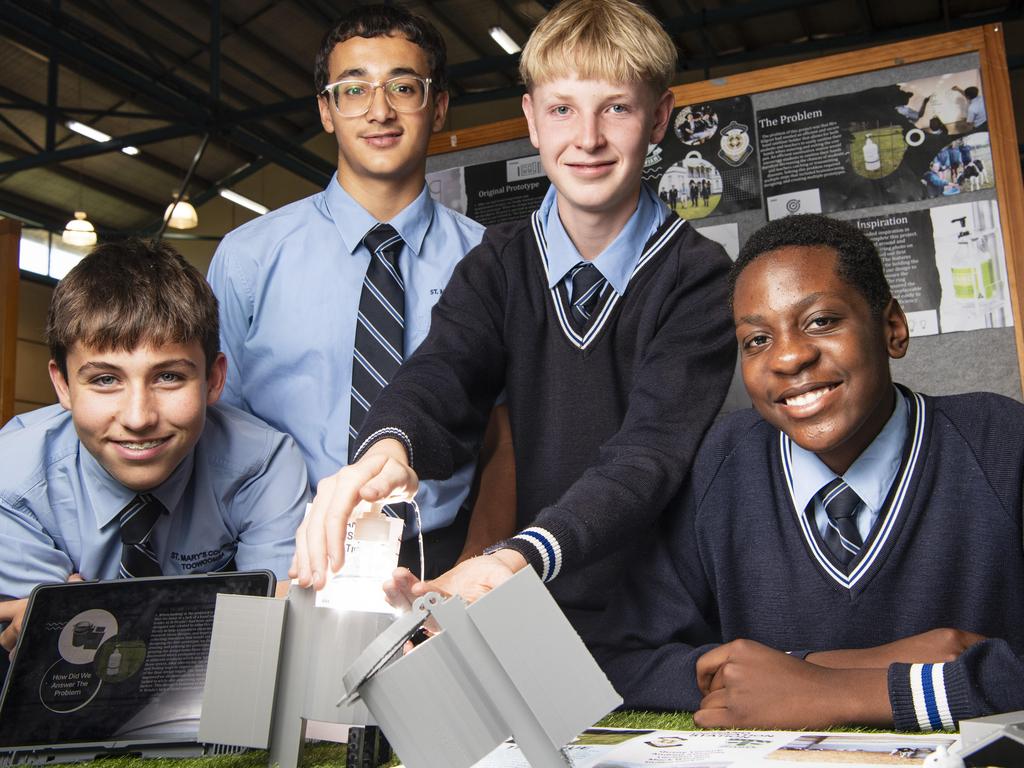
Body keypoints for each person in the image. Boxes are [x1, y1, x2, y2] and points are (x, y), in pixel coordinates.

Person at [292, 0, 736, 648]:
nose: (587, 137)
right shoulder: (497, 264)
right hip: (531, 626)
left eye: (616, 107)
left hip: (660, 630)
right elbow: (443, 371)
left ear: (660, 117)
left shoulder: (698, 277)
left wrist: (514, 558)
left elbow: (647, 457)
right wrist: (386, 454)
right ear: (531, 120)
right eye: (561, 109)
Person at [596, 213, 1024, 731]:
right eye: (757, 340)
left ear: (892, 327)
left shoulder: (1002, 442)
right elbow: (619, 657)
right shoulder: (720, 465)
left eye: (821, 320)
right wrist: (812, 669)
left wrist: (840, 687)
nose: (790, 357)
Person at [207, 5, 512, 578]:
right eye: (353, 89)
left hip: (440, 556)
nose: (379, 110)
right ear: (326, 110)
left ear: (439, 106)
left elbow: (505, 433)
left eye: (403, 86)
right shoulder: (248, 258)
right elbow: (218, 426)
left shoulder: (491, 262)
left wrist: (474, 569)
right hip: (283, 554)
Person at [0, 239, 310, 653]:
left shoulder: (264, 464)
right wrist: (230, 605)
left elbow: (275, 633)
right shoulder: (12, 480)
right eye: (105, 380)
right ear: (63, 385)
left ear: (214, 379)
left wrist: (87, 608)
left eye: (168, 377)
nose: (138, 417)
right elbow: (65, 656)